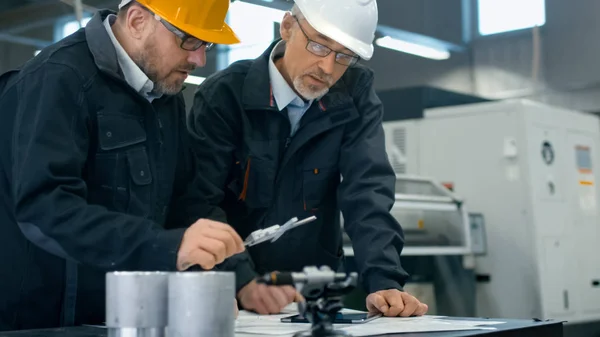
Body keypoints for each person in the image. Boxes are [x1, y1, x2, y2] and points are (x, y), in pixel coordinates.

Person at [0, 0, 245, 331]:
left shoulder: (164, 95)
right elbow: (44, 209)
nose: (199, 59)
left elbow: (183, 201)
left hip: (121, 318)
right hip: (40, 323)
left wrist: (211, 277)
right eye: (188, 40)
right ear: (137, 20)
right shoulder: (58, 79)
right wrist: (167, 246)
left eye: (206, 44)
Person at [188, 0, 429, 317]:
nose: (328, 68)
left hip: (315, 286)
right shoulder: (225, 95)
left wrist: (385, 279)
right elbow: (199, 200)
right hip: (234, 289)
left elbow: (367, 190)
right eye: (318, 46)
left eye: (344, 56)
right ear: (286, 27)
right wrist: (240, 280)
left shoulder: (355, 91)